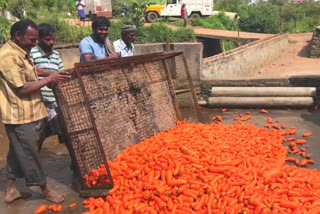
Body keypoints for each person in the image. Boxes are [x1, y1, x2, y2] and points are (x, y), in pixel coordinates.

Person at [0, 19, 69, 204]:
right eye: (32, 40)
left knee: (16, 152)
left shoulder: (21, 52)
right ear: (17, 36)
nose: (34, 43)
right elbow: (21, 89)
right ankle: (45, 190)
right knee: (30, 154)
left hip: (31, 111)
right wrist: (49, 79)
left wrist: (50, 75)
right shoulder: (8, 56)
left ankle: (11, 190)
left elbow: (31, 71)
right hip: (21, 115)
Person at [30, 23, 67, 151]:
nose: (51, 42)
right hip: (41, 100)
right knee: (39, 134)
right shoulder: (32, 53)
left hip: (55, 99)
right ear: (39, 39)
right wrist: (51, 75)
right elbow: (31, 70)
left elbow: (62, 72)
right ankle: (34, 161)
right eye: (48, 39)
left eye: (53, 39)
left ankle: (73, 161)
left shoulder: (56, 54)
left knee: (64, 132)